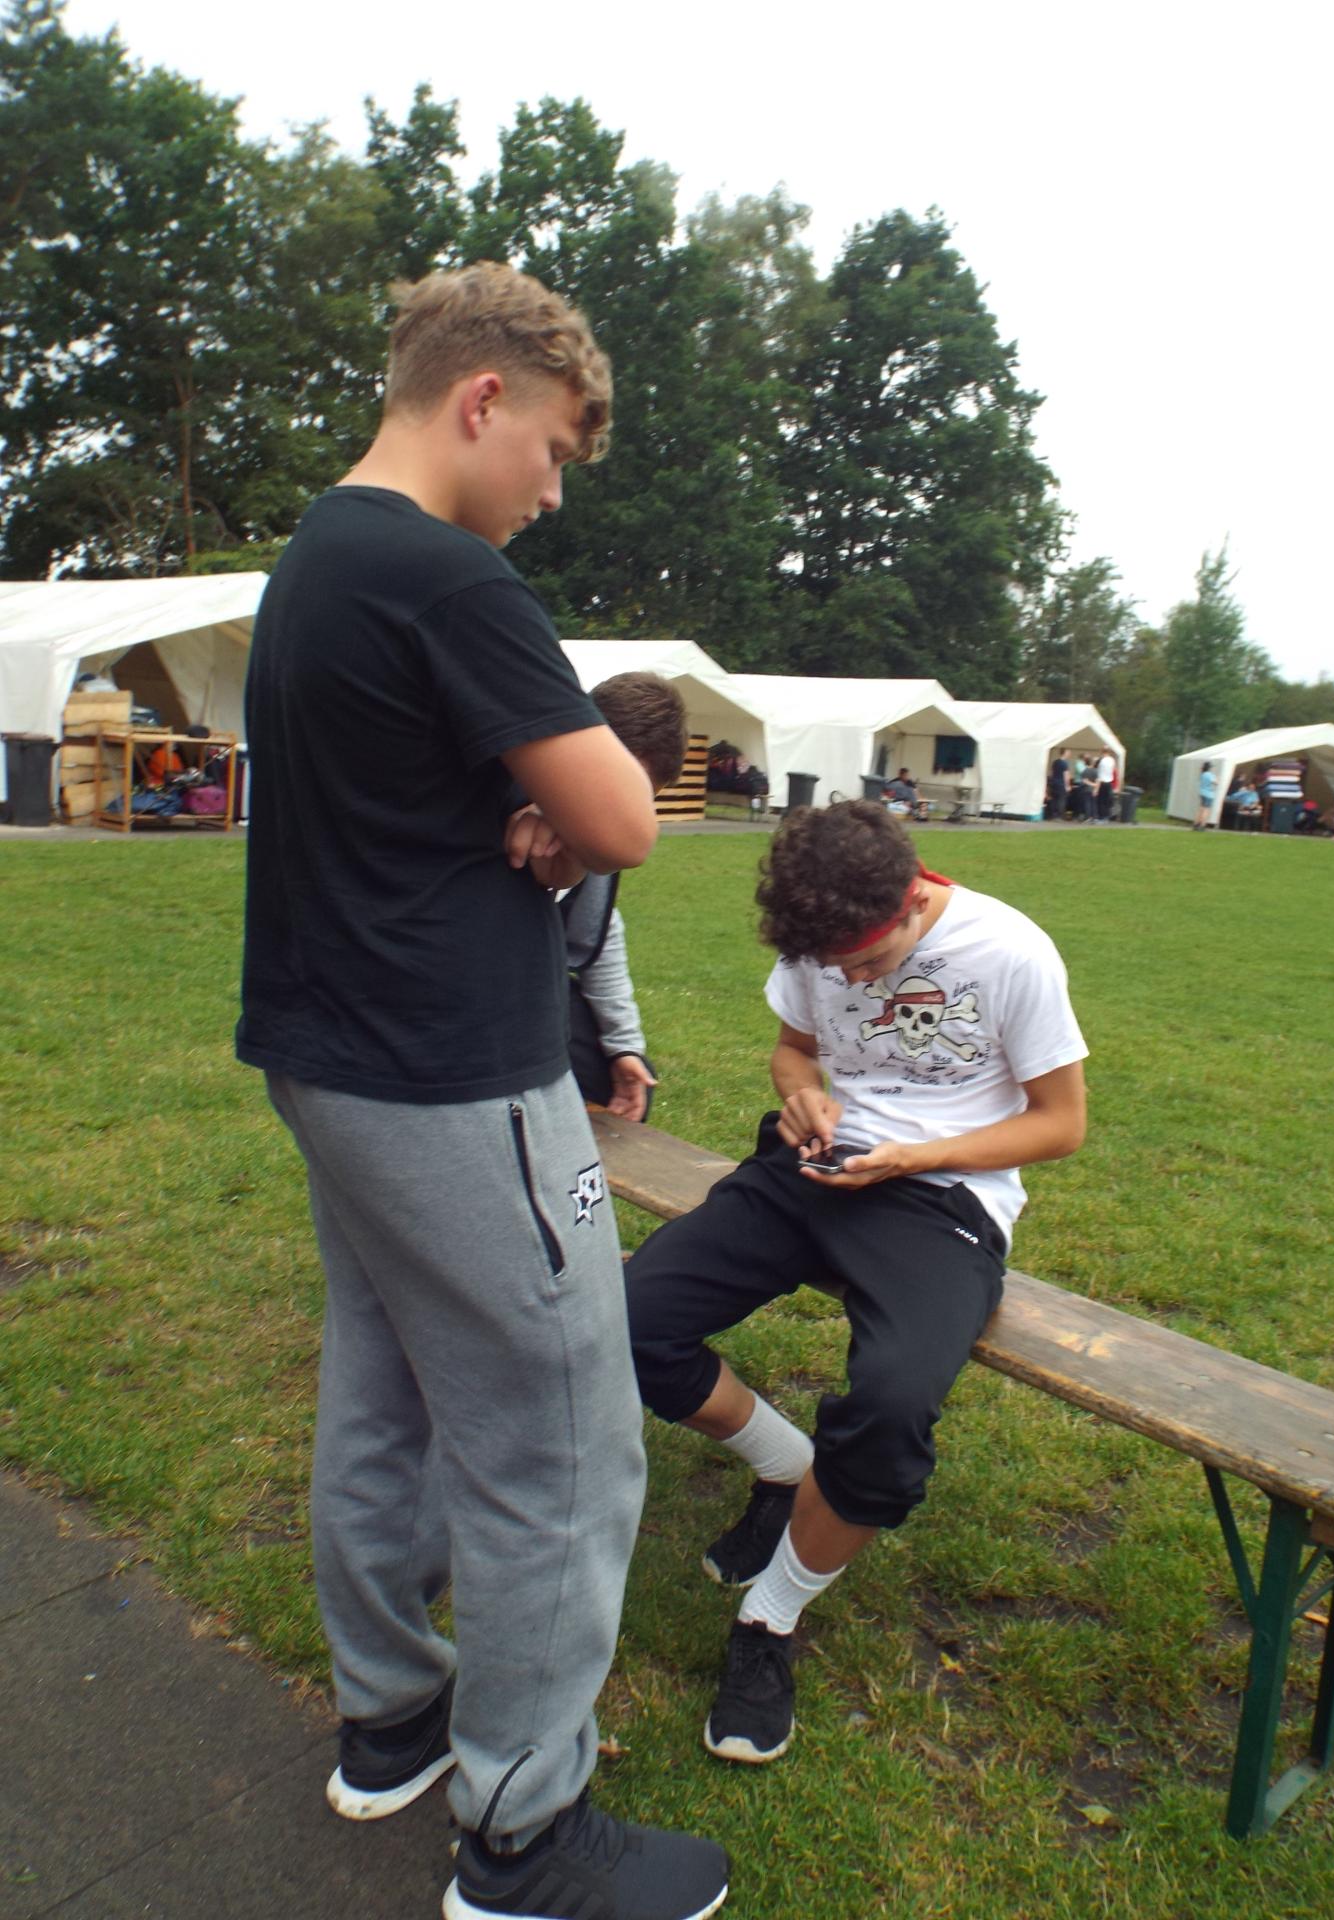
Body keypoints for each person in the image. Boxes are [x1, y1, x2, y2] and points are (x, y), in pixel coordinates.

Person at [237, 263, 728, 1920]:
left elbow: (435, 794)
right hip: (460, 1082)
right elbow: (631, 815)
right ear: (482, 399)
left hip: (334, 1060)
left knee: (383, 1395)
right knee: (568, 1441)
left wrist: (520, 805)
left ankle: (393, 1720)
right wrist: (562, 806)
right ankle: (524, 1833)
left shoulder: (317, 558)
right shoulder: (446, 574)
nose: (555, 489)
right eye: (558, 450)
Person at [625, 801, 1087, 1768]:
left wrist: (919, 1156)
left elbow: (1060, 1124)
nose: (854, 982)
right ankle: (785, 1465)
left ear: (916, 897)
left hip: (940, 1198)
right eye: (836, 970)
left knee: (890, 1410)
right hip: (814, 1169)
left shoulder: (1011, 951)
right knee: (625, 1322)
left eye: (870, 964)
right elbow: (796, 1047)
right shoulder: (820, 943)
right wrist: (803, 1094)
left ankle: (770, 1617)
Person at [561, 671, 687, 1121]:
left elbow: (597, 930)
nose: (625, 812)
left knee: (623, 1080)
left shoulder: (604, 835)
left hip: (539, 986)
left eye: (641, 798)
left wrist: (624, 1046)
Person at [1047, 748, 1070, 821]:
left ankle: (1053, 815)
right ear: (1064, 753)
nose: (1069, 754)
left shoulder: (1055, 762)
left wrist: (1050, 782)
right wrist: (1067, 786)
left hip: (1054, 783)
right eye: (1068, 753)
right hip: (1061, 784)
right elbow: (1066, 775)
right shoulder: (1065, 763)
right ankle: (1059, 816)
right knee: (1061, 800)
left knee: (1054, 799)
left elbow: (1051, 773)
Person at [1094, 748, 1117, 822]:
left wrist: (1096, 789)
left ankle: (1101, 817)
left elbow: (1099, 775)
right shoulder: (1112, 760)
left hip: (1102, 782)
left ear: (1103, 753)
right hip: (1109, 782)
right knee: (1106, 800)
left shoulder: (1102, 761)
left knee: (1100, 801)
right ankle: (1106, 816)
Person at [1194, 760, 1217, 831]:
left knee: (1200, 809)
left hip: (1202, 793)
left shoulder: (1202, 774)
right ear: (1209, 768)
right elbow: (1215, 783)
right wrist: (1217, 779)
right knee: (1206, 811)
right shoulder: (1210, 775)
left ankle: (1196, 824)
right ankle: (1202, 825)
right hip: (1209, 794)